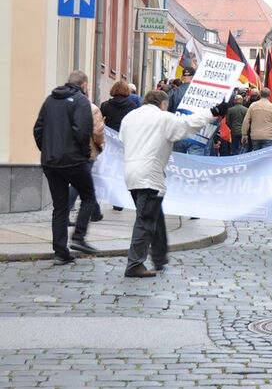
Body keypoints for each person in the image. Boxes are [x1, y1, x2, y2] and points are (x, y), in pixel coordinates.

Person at [117, 90, 228, 278]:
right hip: (150, 174)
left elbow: (122, 139)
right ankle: (134, 264)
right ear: (162, 104)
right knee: (145, 220)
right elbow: (187, 125)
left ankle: (160, 257)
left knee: (154, 215)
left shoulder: (129, 117)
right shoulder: (163, 118)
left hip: (131, 173)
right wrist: (212, 112)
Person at [33, 70, 101, 264]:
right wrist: (84, 153)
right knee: (88, 197)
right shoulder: (80, 101)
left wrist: (47, 149)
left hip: (51, 161)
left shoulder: (49, 100)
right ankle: (79, 237)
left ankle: (60, 253)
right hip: (73, 160)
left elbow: (38, 129)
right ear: (84, 85)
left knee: (60, 207)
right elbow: (83, 130)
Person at [67, 99, 105, 225]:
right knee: (80, 183)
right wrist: (100, 145)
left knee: (85, 181)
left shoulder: (64, 105)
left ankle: (95, 212)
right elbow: (98, 131)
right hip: (87, 151)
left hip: (68, 150)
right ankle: (65, 211)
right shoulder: (93, 109)